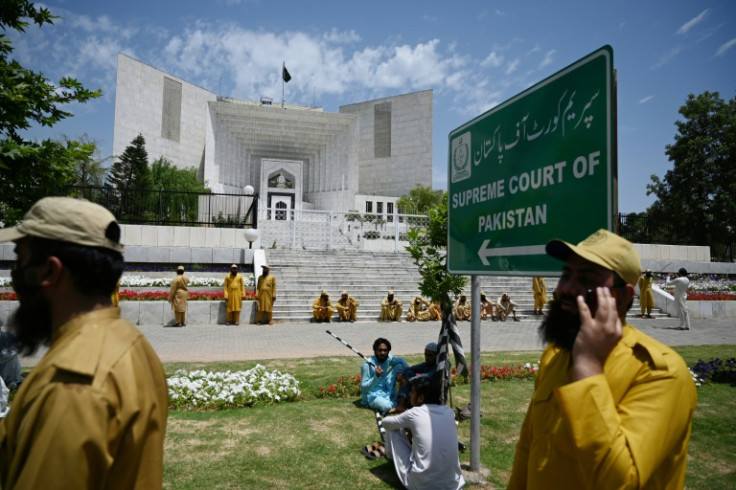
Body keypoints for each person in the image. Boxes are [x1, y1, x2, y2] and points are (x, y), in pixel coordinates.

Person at [0, 197, 168, 489]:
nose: (15, 274)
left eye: (20, 258)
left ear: (50, 271)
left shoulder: (73, 385)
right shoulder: (132, 343)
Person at [508, 229, 697, 489]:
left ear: (624, 296)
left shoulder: (660, 373)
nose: (566, 288)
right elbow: (528, 452)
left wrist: (588, 366)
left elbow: (619, 481)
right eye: (566, 275)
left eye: (586, 279)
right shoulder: (556, 354)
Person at [382, 375, 466, 490]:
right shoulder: (449, 411)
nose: (409, 395)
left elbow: (385, 423)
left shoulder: (414, 413)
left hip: (422, 485)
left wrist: (407, 424)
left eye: (412, 392)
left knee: (394, 430)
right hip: (453, 484)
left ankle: (390, 456)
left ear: (421, 398)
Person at [360, 338, 408, 414]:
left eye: (385, 350)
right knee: (386, 406)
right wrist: (376, 376)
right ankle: (396, 404)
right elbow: (363, 389)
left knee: (400, 365)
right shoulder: (366, 365)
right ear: (375, 350)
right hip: (372, 396)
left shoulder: (388, 358)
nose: (382, 353)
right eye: (379, 350)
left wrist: (401, 373)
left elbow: (401, 360)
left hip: (386, 389)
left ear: (388, 351)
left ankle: (395, 403)